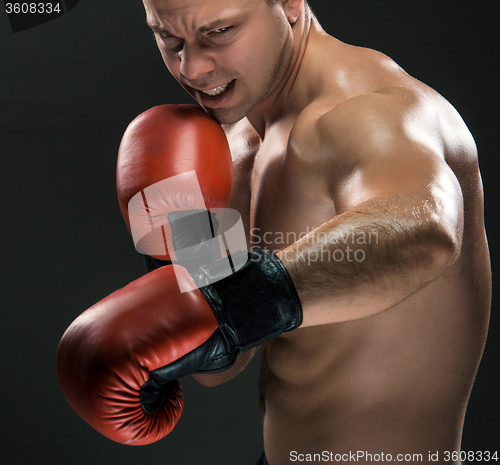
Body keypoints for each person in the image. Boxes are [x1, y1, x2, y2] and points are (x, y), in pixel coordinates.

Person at [57, 0, 491, 463]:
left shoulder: (369, 113)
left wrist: (244, 302)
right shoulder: (240, 141)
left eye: (219, 32)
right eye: (169, 39)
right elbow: (220, 364)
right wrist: (181, 256)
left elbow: (425, 230)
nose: (193, 67)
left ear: (287, 4)